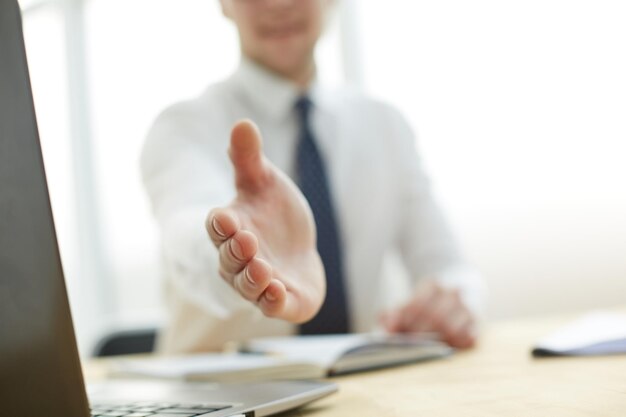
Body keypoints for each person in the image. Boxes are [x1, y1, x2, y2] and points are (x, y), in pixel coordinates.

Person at [140, 0, 486, 354]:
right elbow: (186, 233)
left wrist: (454, 302)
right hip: (222, 398)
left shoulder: (385, 126)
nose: (278, 4)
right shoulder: (182, 128)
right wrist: (233, 250)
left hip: (361, 393)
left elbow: (449, 266)